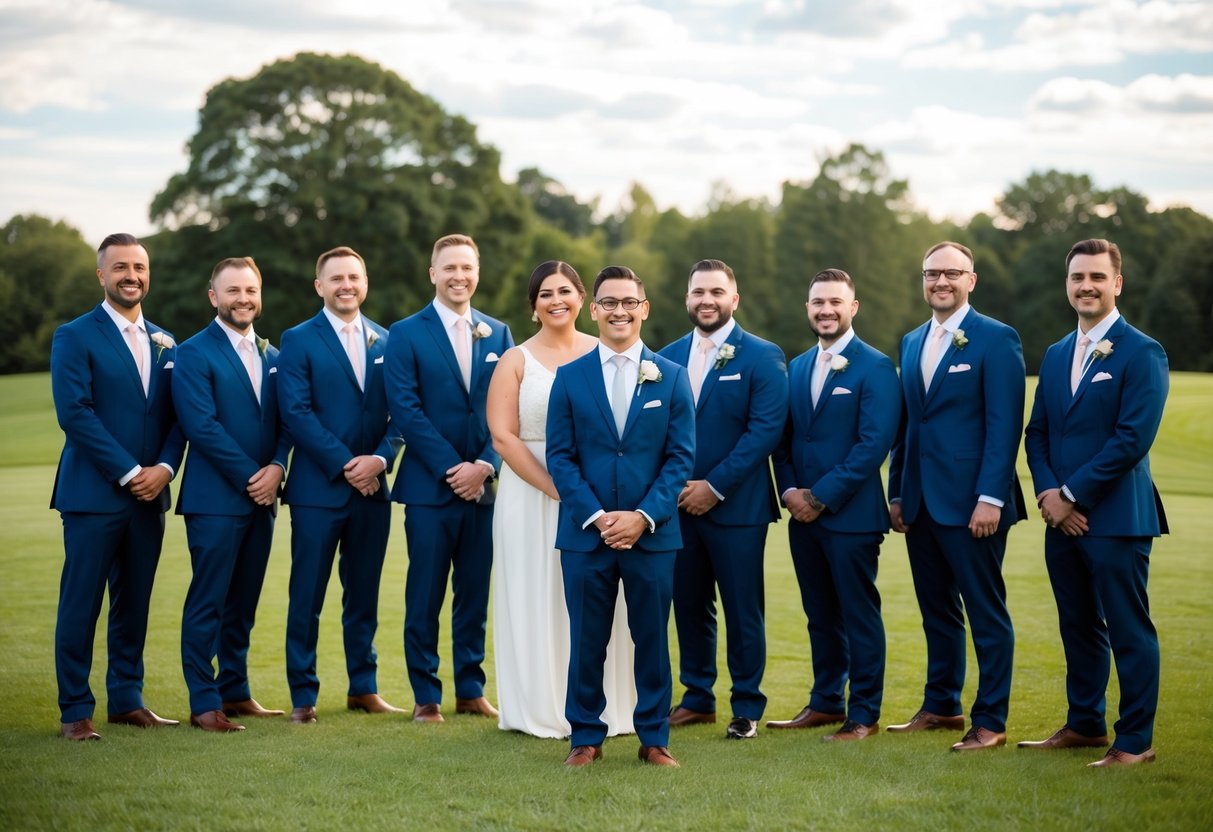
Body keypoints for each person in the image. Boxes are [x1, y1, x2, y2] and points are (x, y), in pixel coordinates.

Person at [1021, 238, 1168, 768]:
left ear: (1117, 284)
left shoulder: (1143, 351)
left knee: (1128, 629)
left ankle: (1134, 742)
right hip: (1059, 520)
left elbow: (1132, 439)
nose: (1087, 286)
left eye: (1097, 277)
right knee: (1077, 624)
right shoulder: (1058, 352)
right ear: (1068, 284)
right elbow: (1037, 433)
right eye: (1078, 277)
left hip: (1117, 517)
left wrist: (1071, 495)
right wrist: (1048, 495)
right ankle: (1084, 723)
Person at [546, 265, 695, 768]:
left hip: (652, 536)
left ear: (644, 309)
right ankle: (585, 738)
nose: (619, 311)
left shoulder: (671, 377)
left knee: (651, 640)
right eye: (609, 302)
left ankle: (654, 739)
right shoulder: (570, 378)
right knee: (587, 641)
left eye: (629, 302)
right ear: (594, 310)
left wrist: (643, 516)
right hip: (585, 536)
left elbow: (680, 458)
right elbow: (560, 456)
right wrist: (595, 516)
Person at [487, 261, 636, 738]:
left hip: (598, 495)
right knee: (535, 593)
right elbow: (503, 437)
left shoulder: (605, 352)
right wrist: (559, 490)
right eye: (546, 293)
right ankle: (539, 707)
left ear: (582, 300)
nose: (557, 300)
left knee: (599, 599)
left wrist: (589, 496)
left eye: (565, 291)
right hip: (530, 495)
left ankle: (607, 705)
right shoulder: (515, 360)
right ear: (533, 306)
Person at [886, 241, 1026, 752]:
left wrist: (991, 496)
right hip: (921, 502)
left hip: (973, 504)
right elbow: (908, 425)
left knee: (986, 614)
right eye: (931, 273)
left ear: (971, 279)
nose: (940, 281)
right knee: (936, 611)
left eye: (951, 273)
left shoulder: (997, 338)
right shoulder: (911, 341)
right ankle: (942, 705)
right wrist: (897, 492)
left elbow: (1004, 424)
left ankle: (990, 721)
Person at [50, 232, 185, 740]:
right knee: (81, 603)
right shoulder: (74, 335)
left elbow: (178, 417)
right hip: (93, 494)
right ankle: (75, 710)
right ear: (101, 275)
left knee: (134, 603)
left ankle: (127, 700)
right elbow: (75, 414)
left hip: (150, 498)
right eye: (121, 267)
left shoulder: (166, 340)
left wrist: (165, 468)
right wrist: (130, 472)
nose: (132, 276)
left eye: (140, 267)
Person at [657, 259, 788, 740]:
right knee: (689, 604)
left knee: (742, 607)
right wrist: (675, 488)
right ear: (687, 299)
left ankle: (747, 706)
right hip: (677, 507)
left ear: (734, 299)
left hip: (738, 508)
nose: (706, 300)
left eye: (716, 292)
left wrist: (713, 487)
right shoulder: (664, 357)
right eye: (698, 292)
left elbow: (764, 431)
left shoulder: (763, 355)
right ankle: (697, 697)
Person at [386, 233, 514, 722]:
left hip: (484, 489)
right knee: (425, 594)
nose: (459, 276)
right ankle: (426, 695)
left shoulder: (498, 333)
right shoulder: (405, 332)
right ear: (433, 274)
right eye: (450, 268)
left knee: (474, 594)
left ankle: (471, 689)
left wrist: (485, 463)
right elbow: (406, 409)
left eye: (467, 267)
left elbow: (507, 408)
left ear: (476, 273)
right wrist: (452, 467)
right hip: (428, 488)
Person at [769, 269, 899, 741]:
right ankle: (826, 701)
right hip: (802, 517)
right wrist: (789, 491)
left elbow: (873, 445)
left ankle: (863, 714)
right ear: (808, 308)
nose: (826, 310)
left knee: (857, 615)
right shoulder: (799, 365)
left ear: (853, 307)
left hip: (852, 517)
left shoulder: (876, 367)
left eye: (835, 302)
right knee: (819, 615)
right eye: (818, 302)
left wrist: (819, 496)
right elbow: (784, 439)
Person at [278, 246, 404, 724]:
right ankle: (303, 695)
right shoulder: (297, 339)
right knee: (306, 595)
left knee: (364, 595)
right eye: (336, 278)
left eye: (354, 277)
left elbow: (402, 413)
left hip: (373, 492)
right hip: (318, 491)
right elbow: (296, 412)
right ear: (320, 286)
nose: (346, 285)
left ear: (365, 282)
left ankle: (363, 687)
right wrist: (348, 465)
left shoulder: (387, 340)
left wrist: (379, 459)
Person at [172, 257, 290, 732]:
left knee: (244, 601)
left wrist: (278, 467)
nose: (243, 299)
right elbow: (200, 426)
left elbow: (287, 422)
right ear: (213, 297)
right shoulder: (192, 353)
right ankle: (204, 702)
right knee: (209, 600)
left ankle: (235, 691)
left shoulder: (273, 355)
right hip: (215, 500)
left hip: (263, 498)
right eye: (233, 290)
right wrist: (253, 477)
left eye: (250, 290)